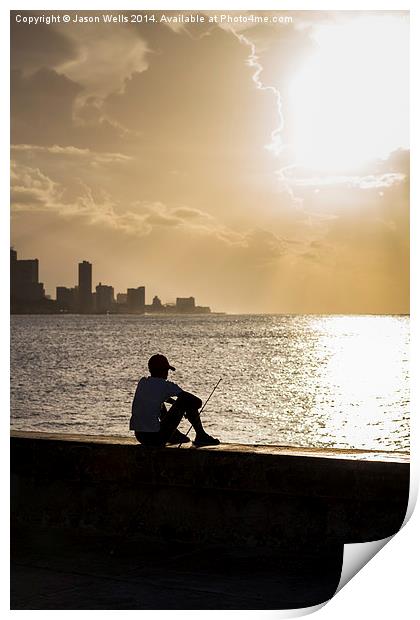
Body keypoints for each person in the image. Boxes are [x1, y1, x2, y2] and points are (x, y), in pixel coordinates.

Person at [130, 354, 220, 447]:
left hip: (140, 437)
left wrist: (173, 403)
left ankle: (175, 435)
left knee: (159, 404)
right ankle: (201, 435)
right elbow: (197, 402)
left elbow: (156, 397)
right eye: (167, 370)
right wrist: (187, 409)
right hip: (156, 438)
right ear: (164, 371)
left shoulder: (143, 382)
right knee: (185, 400)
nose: (167, 373)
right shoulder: (166, 385)